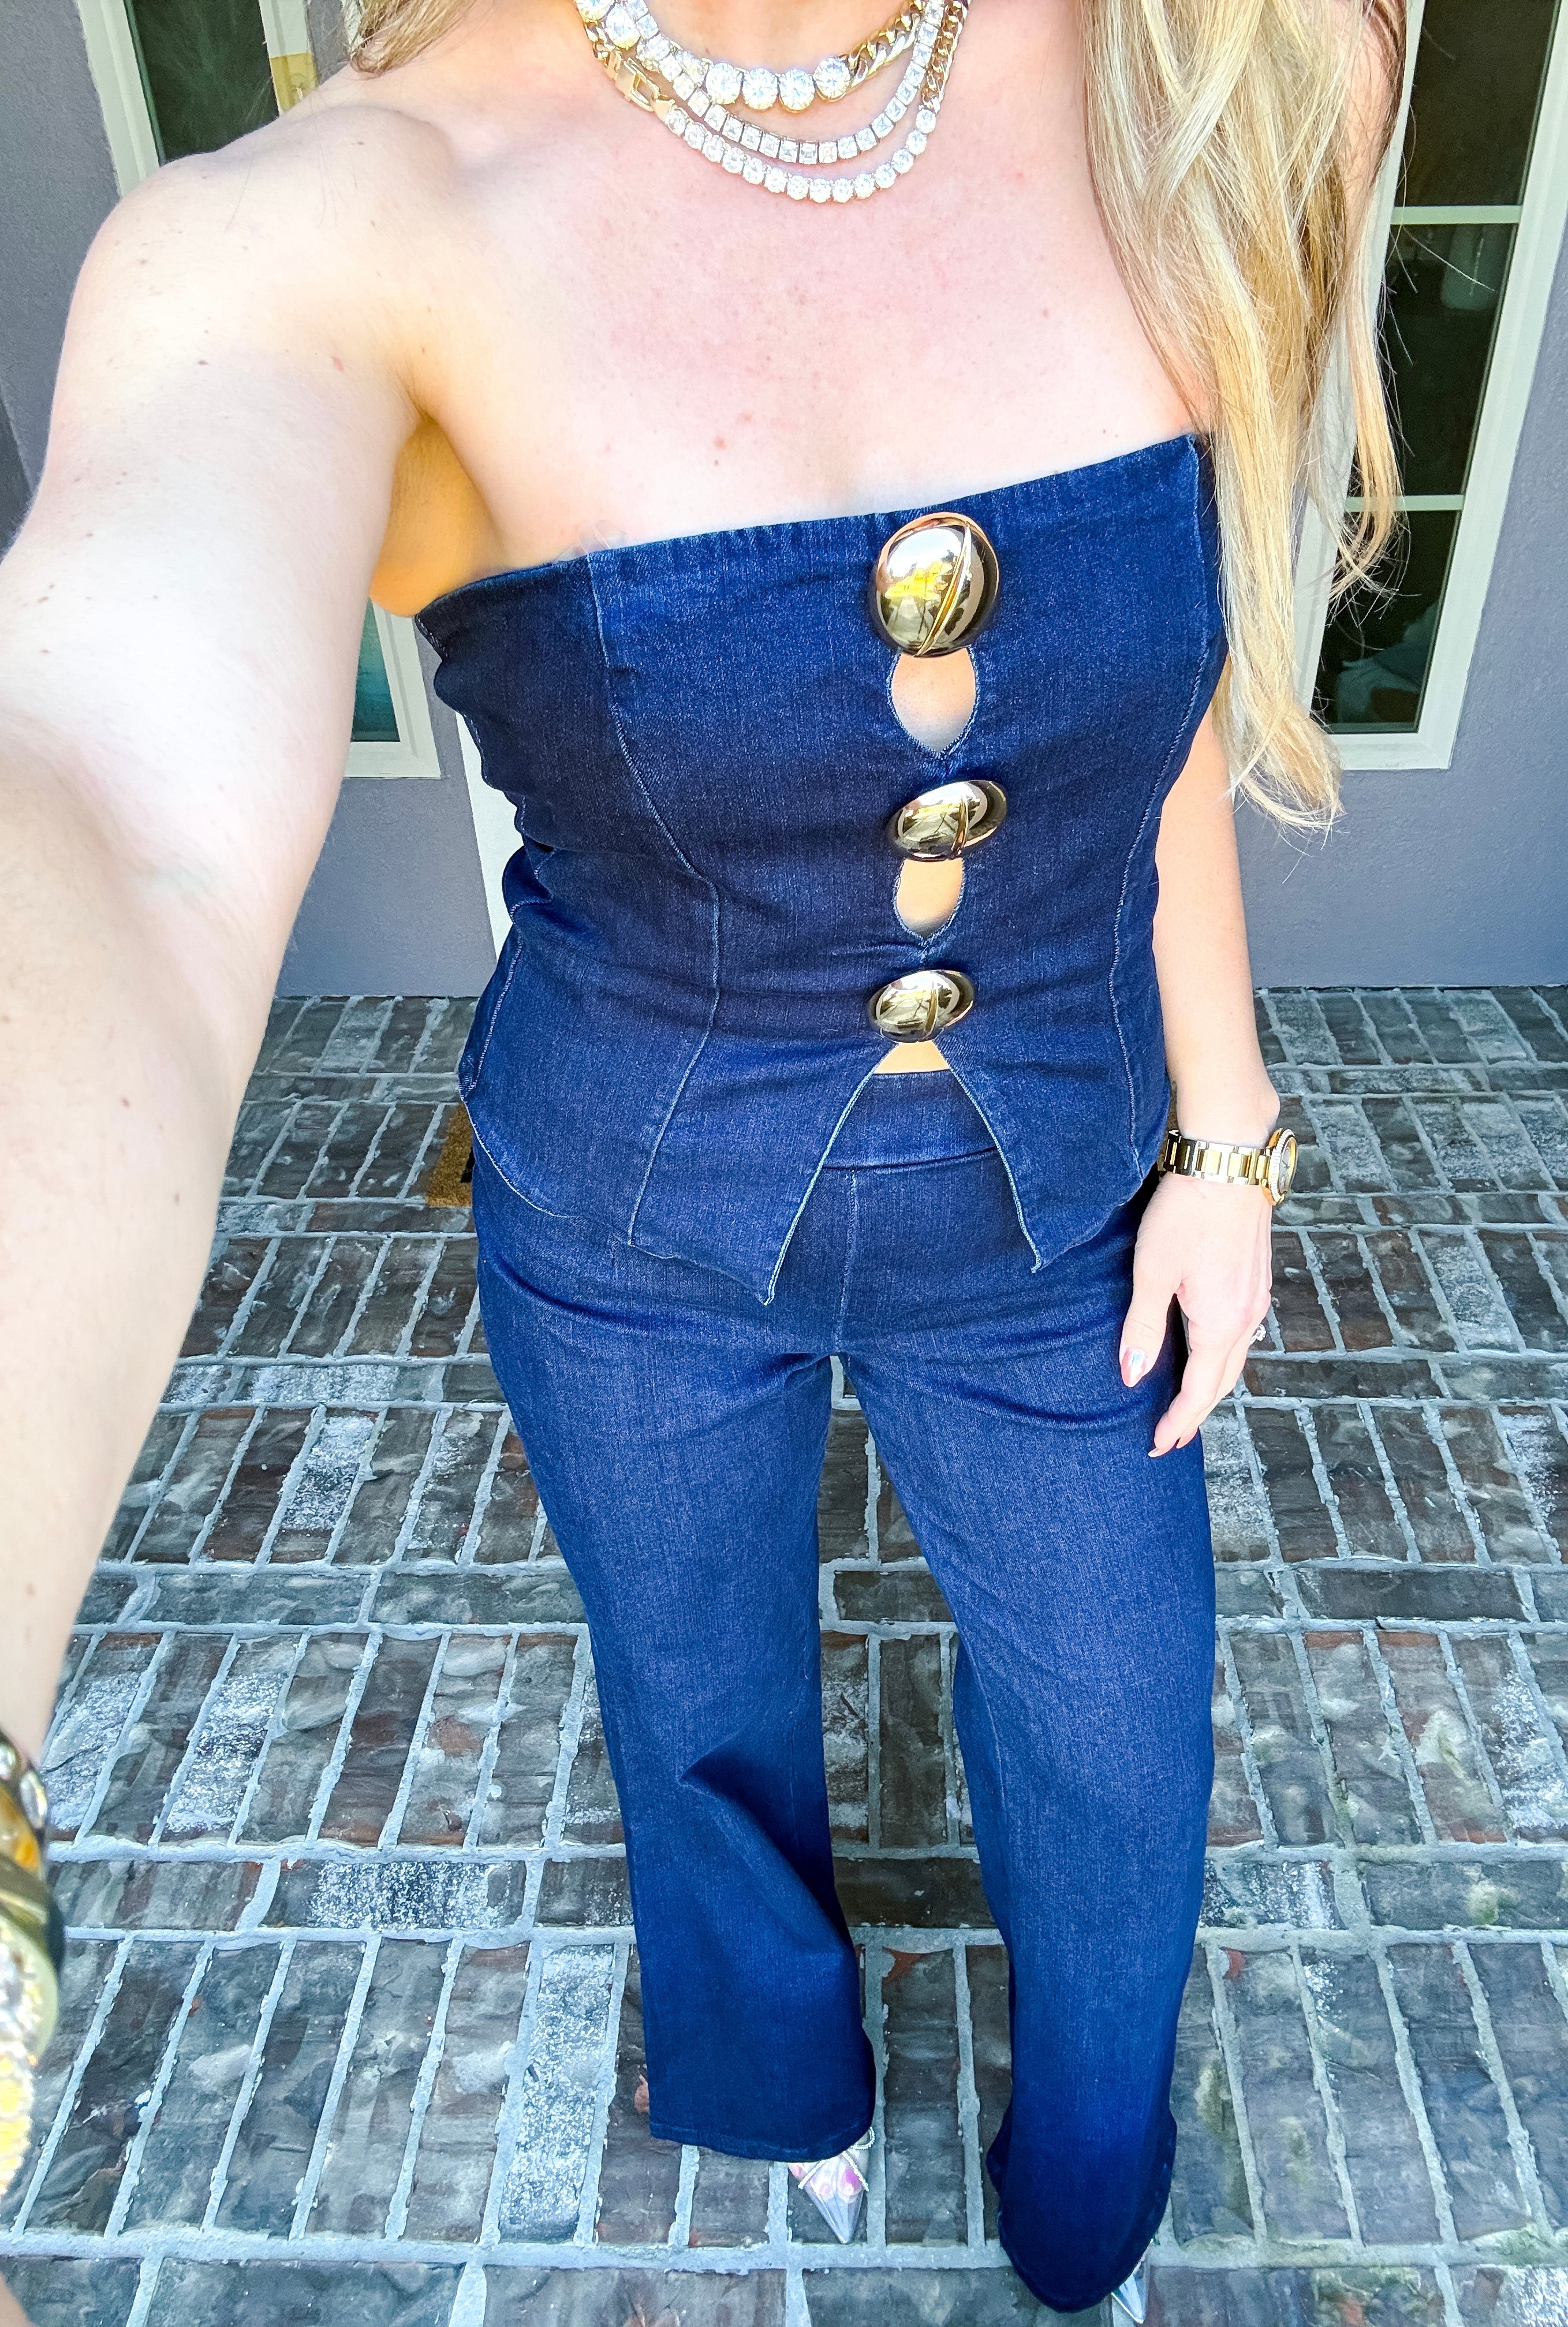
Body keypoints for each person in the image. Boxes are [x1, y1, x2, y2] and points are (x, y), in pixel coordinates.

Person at [0, 0, 1401, 2304]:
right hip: (626, 1233)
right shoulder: (333, 229)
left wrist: (1229, 1142)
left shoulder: (1227, 74)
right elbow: (109, 807)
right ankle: (781, 2077)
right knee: (697, 1711)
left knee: (1123, 1738)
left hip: (1057, 1211)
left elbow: (1145, 718)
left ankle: (1088, 2179)